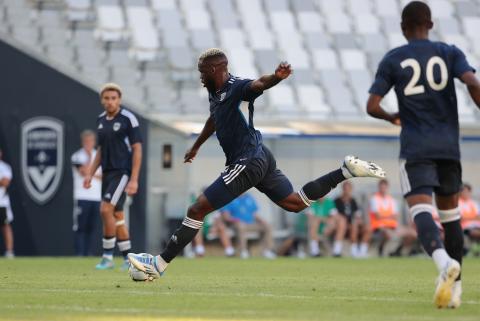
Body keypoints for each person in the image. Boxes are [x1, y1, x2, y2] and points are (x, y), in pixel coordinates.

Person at [128, 48, 385, 279]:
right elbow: (214, 119)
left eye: (203, 72)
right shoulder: (215, 93)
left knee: (197, 209)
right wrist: (196, 146)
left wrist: (276, 77)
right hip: (261, 155)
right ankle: (345, 171)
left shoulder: (235, 85)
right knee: (294, 203)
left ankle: (158, 264)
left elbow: (258, 84)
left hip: (247, 160)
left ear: (216, 69)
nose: (200, 77)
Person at [366, 1, 480, 308]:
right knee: (451, 216)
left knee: (420, 210)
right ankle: (455, 290)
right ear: (430, 24)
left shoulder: (394, 58)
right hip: (448, 147)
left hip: (417, 147)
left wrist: (391, 117)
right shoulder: (450, 52)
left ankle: (444, 263)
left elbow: (372, 106)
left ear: (403, 28)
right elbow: (471, 81)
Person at [84, 83, 142, 270]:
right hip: (107, 173)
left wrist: (133, 179)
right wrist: (90, 174)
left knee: (104, 209)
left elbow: (137, 148)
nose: (110, 102)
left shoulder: (128, 119)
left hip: (122, 173)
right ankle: (128, 259)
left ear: (119, 100)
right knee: (117, 216)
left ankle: (107, 257)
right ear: (102, 100)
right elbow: (100, 150)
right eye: (106, 98)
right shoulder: (101, 120)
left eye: (113, 98)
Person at [71, 130, 102, 256]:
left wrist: (91, 172)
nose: (89, 143)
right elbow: (84, 172)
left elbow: (103, 176)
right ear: (83, 142)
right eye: (87, 141)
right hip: (82, 196)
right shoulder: (77, 156)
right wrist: (90, 159)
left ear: (94, 142)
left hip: (96, 197)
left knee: (92, 227)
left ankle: (89, 253)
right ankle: (80, 253)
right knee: (81, 227)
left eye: (91, 141)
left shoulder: (99, 156)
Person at [219, 193, 275, 259]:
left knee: (267, 226)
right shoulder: (228, 198)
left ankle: (267, 251)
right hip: (235, 225)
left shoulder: (249, 197)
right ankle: (243, 251)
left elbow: (254, 214)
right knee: (241, 226)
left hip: (250, 224)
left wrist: (263, 221)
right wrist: (237, 220)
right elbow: (226, 217)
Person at [369, 179, 416, 257]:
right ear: (379, 187)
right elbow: (377, 216)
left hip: (392, 226)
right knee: (387, 234)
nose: (383, 189)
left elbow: (395, 216)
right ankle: (381, 249)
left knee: (413, 234)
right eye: (381, 187)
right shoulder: (374, 199)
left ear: (387, 188)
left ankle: (398, 250)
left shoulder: (392, 200)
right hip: (379, 227)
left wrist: (384, 216)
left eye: (384, 187)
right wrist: (389, 216)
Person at [331, 181, 370, 258]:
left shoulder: (353, 201)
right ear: (342, 189)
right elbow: (334, 214)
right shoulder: (336, 201)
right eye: (345, 189)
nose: (347, 191)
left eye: (348, 189)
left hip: (352, 224)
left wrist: (359, 221)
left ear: (351, 190)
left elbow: (357, 214)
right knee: (343, 223)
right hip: (340, 225)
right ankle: (338, 251)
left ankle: (361, 251)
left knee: (366, 228)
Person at [458, 184, 480, 255]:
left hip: (477, 226)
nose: (466, 193)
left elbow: (478, 217)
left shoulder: (474, 203)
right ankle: (473, 249)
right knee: (475, 232)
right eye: (464, 191)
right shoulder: (457, 203)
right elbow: (460, 218)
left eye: (467, 191)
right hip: (465, 227)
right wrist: (473, 217)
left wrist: (467, 217)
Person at [0, 148, 14, 258]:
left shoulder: (5, 167)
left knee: (5, 225)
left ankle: (9, 252)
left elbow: (5, 182)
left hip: (2, 202)